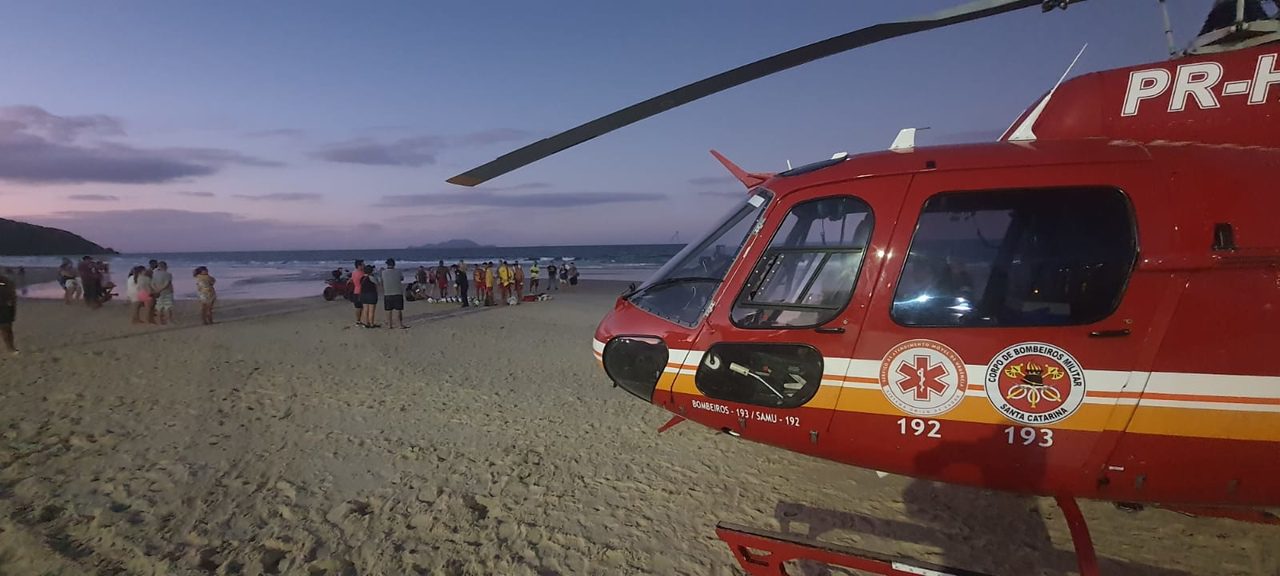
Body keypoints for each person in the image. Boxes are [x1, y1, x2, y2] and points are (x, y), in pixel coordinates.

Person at [381, 258, 406, 329]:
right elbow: (402, 278)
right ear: (394, 264)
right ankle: (400, 324)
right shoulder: (398, 271)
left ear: (387, 264)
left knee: (388, 310)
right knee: (398, 310)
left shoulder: (383, 272)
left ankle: (390, 325)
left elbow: (381, 281)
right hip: (398, 292)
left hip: (387, 293)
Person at [152, 261, 175, 325]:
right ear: (165, 267)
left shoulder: (154, 274)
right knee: (168, 306)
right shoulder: (168, 274)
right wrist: (161, 289)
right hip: (167, 292)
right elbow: (167, 284)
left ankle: (160, 321)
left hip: (157, 291)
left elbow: (152, 284)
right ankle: (169, 321)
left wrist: (157, 290)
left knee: (159, 307)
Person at [0, 272, 17, 355]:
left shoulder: (7, 282)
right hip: (5, 307)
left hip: (4, 308)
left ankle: (10, 348)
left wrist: (13, 310)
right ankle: (10, 348)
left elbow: (13, 297)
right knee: (6, 329)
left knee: (6, 329)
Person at [350, 259, 366, 326]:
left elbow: (352, 280)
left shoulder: (353, 272)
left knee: (358, 307)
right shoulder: (362, 273)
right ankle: (361, 320)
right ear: (359, 266)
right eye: (363, 264)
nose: (364, 265)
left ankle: (358, 320)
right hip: (361, 291)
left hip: (356, 291)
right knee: (362, 307)